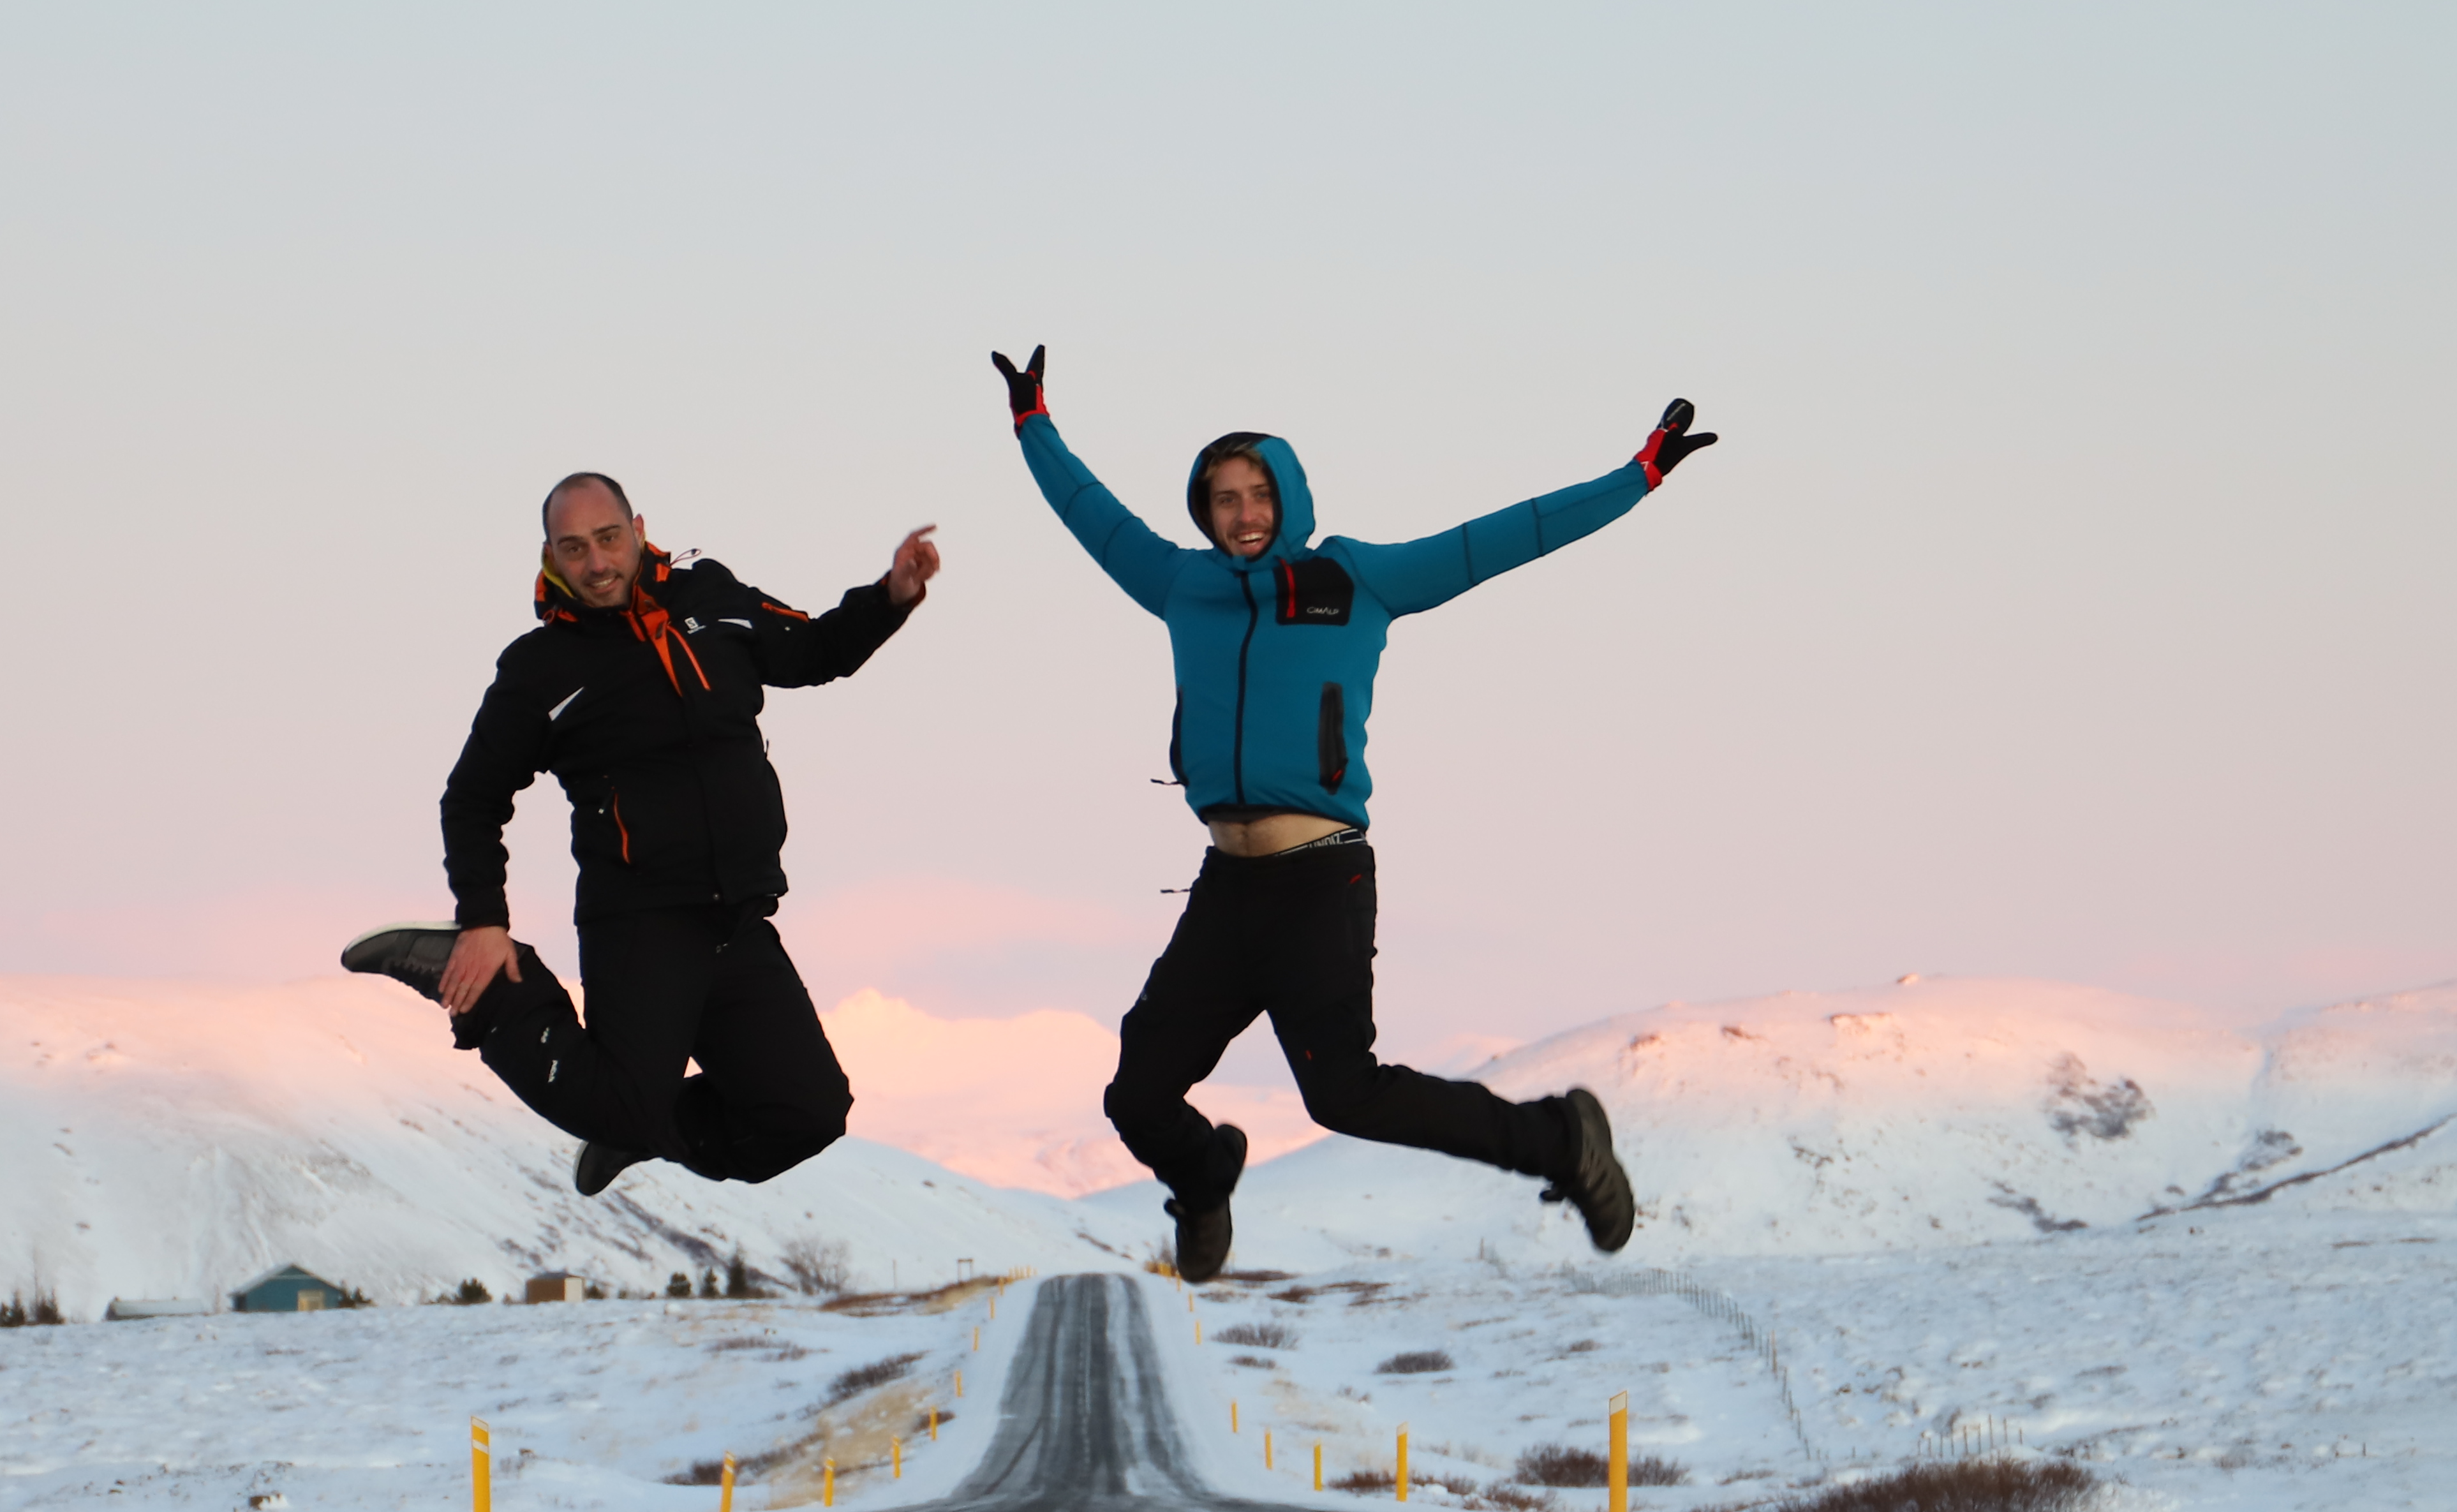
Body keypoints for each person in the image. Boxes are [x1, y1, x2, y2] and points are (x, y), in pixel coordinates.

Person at [991, 345, 1714, 1280]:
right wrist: (1033, 423)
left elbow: (1503, 537)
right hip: (1227, 885)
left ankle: (1561, 1141)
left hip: (1319, 877)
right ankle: (1205, 1176)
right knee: (1136, 1094)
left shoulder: (1354, 580)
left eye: (1258, 495)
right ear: (1203, 512)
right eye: (1223, 499)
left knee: (1345, 1094)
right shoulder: (1183, 585)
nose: (1243, 515)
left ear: (1287, 499)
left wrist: (1637, 478)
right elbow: (1091, 515)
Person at [344, 472, 938, 1195]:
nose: (596, 563)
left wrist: (891, 597)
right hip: (641, 922)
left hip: (740, 917)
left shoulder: (710, 598)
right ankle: (489, 993)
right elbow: (471, 799)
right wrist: (483, 920)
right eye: (574, 548)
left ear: (638, 529)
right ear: (549, 557)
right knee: (617, 1099)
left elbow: (811, 651)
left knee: (807, 1114)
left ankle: (650, 1130)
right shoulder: (538, 670)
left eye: (608, 539)